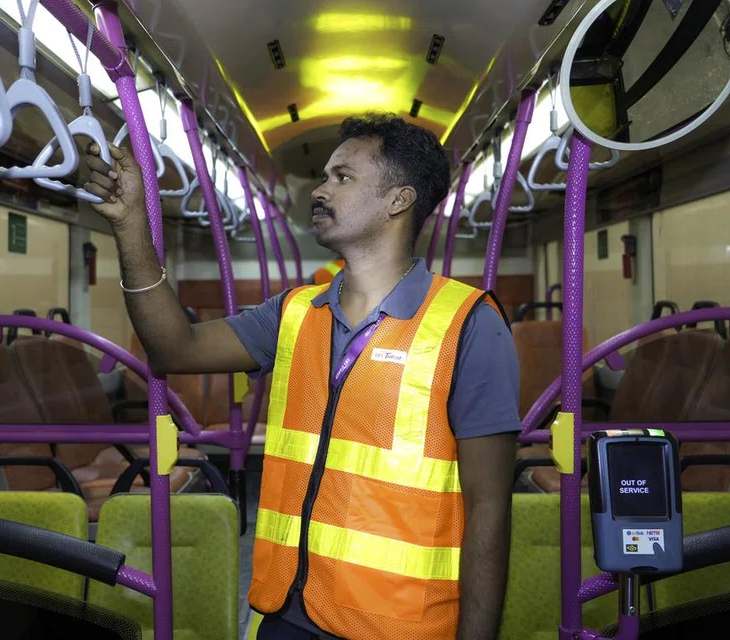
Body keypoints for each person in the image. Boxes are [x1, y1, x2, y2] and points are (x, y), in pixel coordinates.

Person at [81, 112, 519, 640]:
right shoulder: (293, 312)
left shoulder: (469, 323)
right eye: (324, 176)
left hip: (400, 625)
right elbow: (174, 346)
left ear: (398, 200)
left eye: (342, 177)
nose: (319, 190)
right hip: (288, 613)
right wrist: (130, 225)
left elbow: (489, 507)